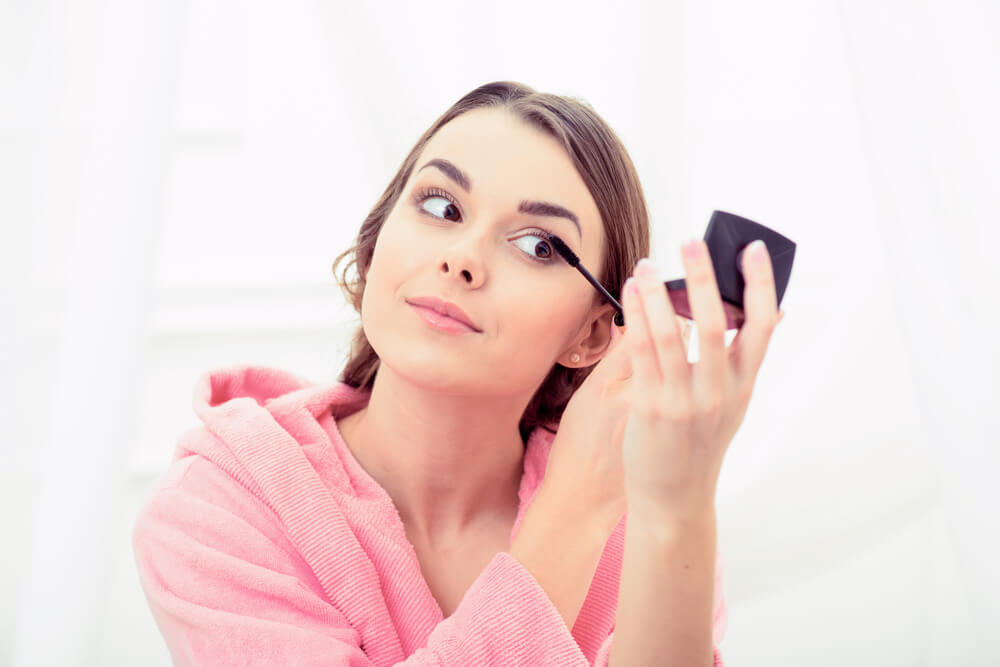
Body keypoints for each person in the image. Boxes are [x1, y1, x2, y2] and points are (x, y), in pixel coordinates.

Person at [132, 80, 783, 665]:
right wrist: (571, 511)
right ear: (376, 241)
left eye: (538, 245)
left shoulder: (641, 523)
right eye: (441, 207)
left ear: (591, 333)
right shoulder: (220, 510)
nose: (463, 258)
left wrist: (678, 507)